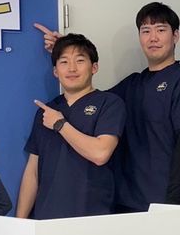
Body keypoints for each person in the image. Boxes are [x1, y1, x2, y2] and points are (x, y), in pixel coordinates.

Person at [36, 2, 180, 213]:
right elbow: (86, 96)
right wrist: (67, 50)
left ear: (175, 36)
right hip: (125, 203)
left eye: (161, 30)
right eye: (146, 31)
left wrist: (173, 204)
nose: (153, 38)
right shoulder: (132, 84)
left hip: (166, 203)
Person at [16, 33, 126, 219]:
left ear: (94, 67)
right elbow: (32, 171)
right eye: (64, 62)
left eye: (80, 61)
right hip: (46, 218)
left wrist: (60, 124)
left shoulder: (109, 103)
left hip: (92, 217)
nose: (72, 68)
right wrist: (20, 222)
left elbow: (100, 153)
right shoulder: (46, 111)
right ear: (55, 71)